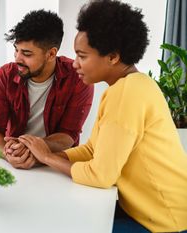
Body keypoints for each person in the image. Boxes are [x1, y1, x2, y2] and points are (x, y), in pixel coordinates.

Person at [19, 1, 187, 232]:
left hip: (166, 221)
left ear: (113, 57)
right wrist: (43, 156)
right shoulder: (129, 86)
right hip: (153, 212)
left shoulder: (127, 93)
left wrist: (48, 158)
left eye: (83, 56)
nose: (75, 64)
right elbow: (92, 151)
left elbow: (100, 176)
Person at [0, 9, 94, 169]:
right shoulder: (4, 76)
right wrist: (9, 154)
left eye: (26, 54)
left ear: (51, 54)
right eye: (16, 50)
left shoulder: (78, 78)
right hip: (14, 160)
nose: (17, 58)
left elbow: (68, 134)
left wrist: (32, 147)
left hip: (57, 164)